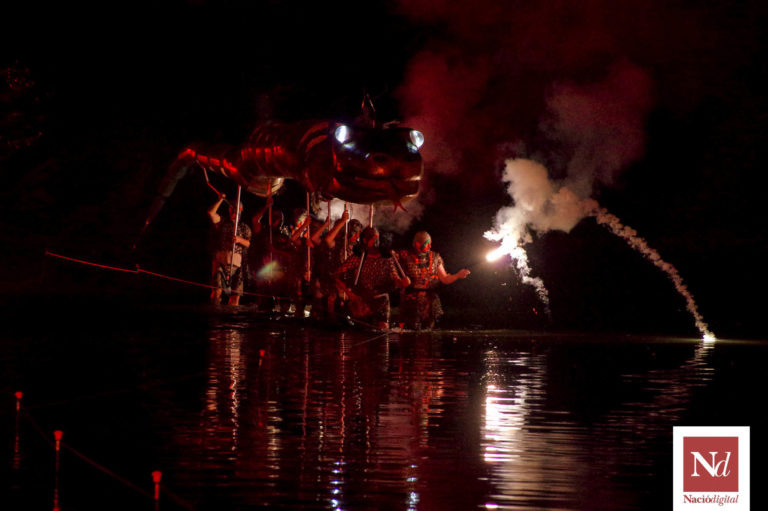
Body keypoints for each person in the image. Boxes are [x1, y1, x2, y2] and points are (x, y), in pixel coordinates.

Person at [335, 227, 410, 330]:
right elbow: (337, 275)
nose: (375, 240)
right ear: (364, 240)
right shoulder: (358, 257)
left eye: (376, 238)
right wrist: (351, 295)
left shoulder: (386, 257)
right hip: (362, 299)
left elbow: (394, 277)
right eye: (372, 238)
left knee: (383, 328)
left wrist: (401, 282)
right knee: (362, 330)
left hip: (381, 298)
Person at [395, 231, 470, 330]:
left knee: (427, 331)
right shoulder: (404, 255)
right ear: (417, 244)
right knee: (410, 330)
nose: (430, 246)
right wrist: (400, 281)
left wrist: (457, 275)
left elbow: (445, 279)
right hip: (411, 300)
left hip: (429, 301)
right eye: (427, 243)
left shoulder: (435, 258)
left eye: (430, 243)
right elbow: (392, 271)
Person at [312, 211, 363, 322]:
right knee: (332, 302)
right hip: (335, 282)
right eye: (355, 232)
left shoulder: (359, 249)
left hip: (351, 284)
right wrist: (342, 222)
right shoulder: (340, 244)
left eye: (358, 233)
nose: (357, 236)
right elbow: (327, 240)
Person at [207, 193, 252, 305]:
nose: (234, 213)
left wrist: (240, 240)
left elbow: (249, 244)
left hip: (237, 266)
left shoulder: (244, 227)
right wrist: (220, 200)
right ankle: (215, 313)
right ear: (229, 210)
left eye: (237, 211)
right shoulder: (222, 221)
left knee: (235, 297)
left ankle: (231, 315)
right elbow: (211, 213)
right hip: (221, 262)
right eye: (232, 210)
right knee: (216, 292)